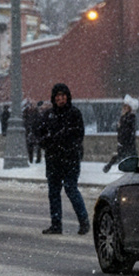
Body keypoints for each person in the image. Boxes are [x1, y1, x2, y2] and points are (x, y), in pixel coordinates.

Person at [38, 82, 89, 235]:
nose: (61, 99)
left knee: (70, 188)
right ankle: (56, 224)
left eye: (63, 96)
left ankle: (83, 220)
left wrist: (62, 142)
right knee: (53, 192)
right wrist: (49, 142)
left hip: (69, 158)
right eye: (58, 96)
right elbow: (41, 135)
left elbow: (77, 135)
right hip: (53, 160)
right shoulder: (49, 115)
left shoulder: (74, 113)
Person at [103, 95, 139, 173]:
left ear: (129, 108)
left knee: (126, 157)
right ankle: (108, 166)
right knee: (125, 157)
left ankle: (108, 166)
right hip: (125, 143)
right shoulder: (125, 118)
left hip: (127, 143)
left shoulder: (129, 118)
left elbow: (127, 131)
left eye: (125, 107)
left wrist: (121, 127)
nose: (123, 109)